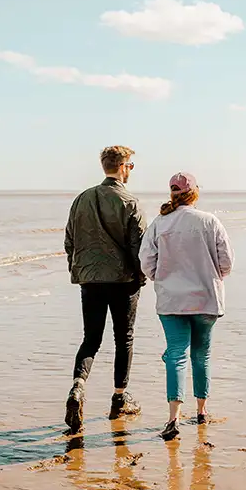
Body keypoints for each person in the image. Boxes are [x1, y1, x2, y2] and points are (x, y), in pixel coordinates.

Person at [139, 173, 234, 441]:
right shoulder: (210, 221)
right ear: (195, 193)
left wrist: (163, 278)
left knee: (176, 354)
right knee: (201, 355)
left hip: (172, 300)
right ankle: (202, 411)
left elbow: (146, 261)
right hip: (205, 299)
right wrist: (211, 276)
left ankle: (173, 418)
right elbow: (227, 262)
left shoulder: (159, 223)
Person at [63, 145, 148, 433]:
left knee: (91, 339)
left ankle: (78, 387)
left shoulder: (82, 199)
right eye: (130, 166)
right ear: (123, 167)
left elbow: (70, 241)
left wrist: (79, 270)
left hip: (90, 280)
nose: (130, 170)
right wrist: (141, 276)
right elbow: (139, 247)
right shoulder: (130, 201)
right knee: (124, 339)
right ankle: (119, 398)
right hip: (123, 281)